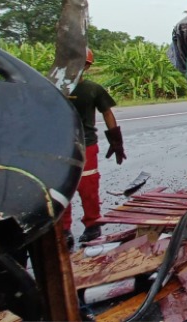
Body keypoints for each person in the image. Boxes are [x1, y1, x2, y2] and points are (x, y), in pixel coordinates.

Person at [63, 48, 126, 248]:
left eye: (83, 64)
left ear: (87, 66)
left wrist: (116, 140)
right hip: (61, 145)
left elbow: (107, 113)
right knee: (62, 187)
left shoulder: (92, 89)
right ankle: (63, 230)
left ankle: (93, 225)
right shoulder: (55, 88)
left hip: (86, 144)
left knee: (88, 186)